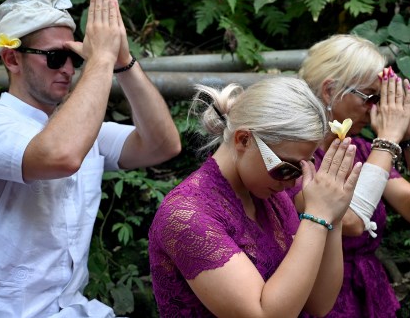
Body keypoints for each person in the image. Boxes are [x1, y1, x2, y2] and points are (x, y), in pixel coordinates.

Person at [0, 0, 181, 318]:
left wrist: (122, 61)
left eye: (75, 57)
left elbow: (163, 145)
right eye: (56, 57)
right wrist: (99, 58)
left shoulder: (84, 132)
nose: (69, 70)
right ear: (12, 58)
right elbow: (61, 155)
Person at [148, 76, 364, 317]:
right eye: (286, 168)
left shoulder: (272, 192)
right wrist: (317, 217)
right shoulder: (186, 215)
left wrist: (332, 218)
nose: (293, 182)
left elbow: (319, 304)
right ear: (244, 140)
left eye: (303, 168)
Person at [291, 34, 410, 318]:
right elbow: (350, 221)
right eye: (371, 97)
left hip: (369, 295)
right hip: (321, 299)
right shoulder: (297, 156)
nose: (377, 108)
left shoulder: (362, 150)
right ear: (330, 91)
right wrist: (388, 138)